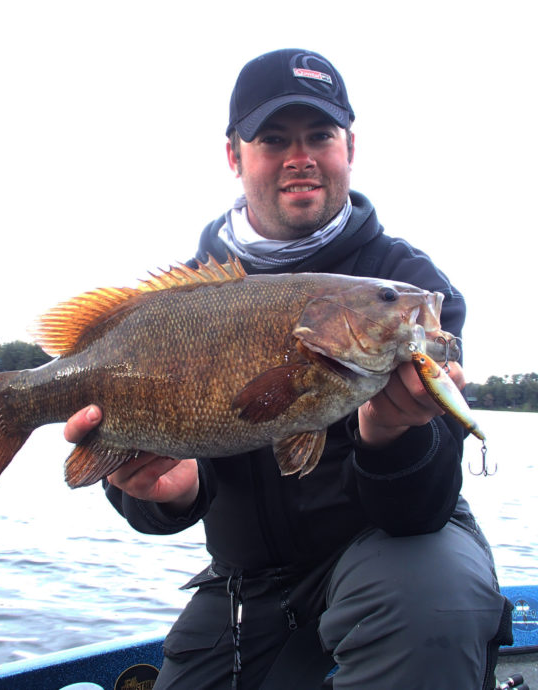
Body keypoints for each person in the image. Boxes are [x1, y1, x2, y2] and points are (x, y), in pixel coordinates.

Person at [65, 49, 512, 689]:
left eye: (319, 135)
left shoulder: (411, 289)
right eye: (273, 138)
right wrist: (169, 494)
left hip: (390, 552)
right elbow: (163, 481)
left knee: (433, 593)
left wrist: (391, 438)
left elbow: (420, 508)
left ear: (348, 146)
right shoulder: (184, 303)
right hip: (245, 585)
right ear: (233, 155)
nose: (299, 156)